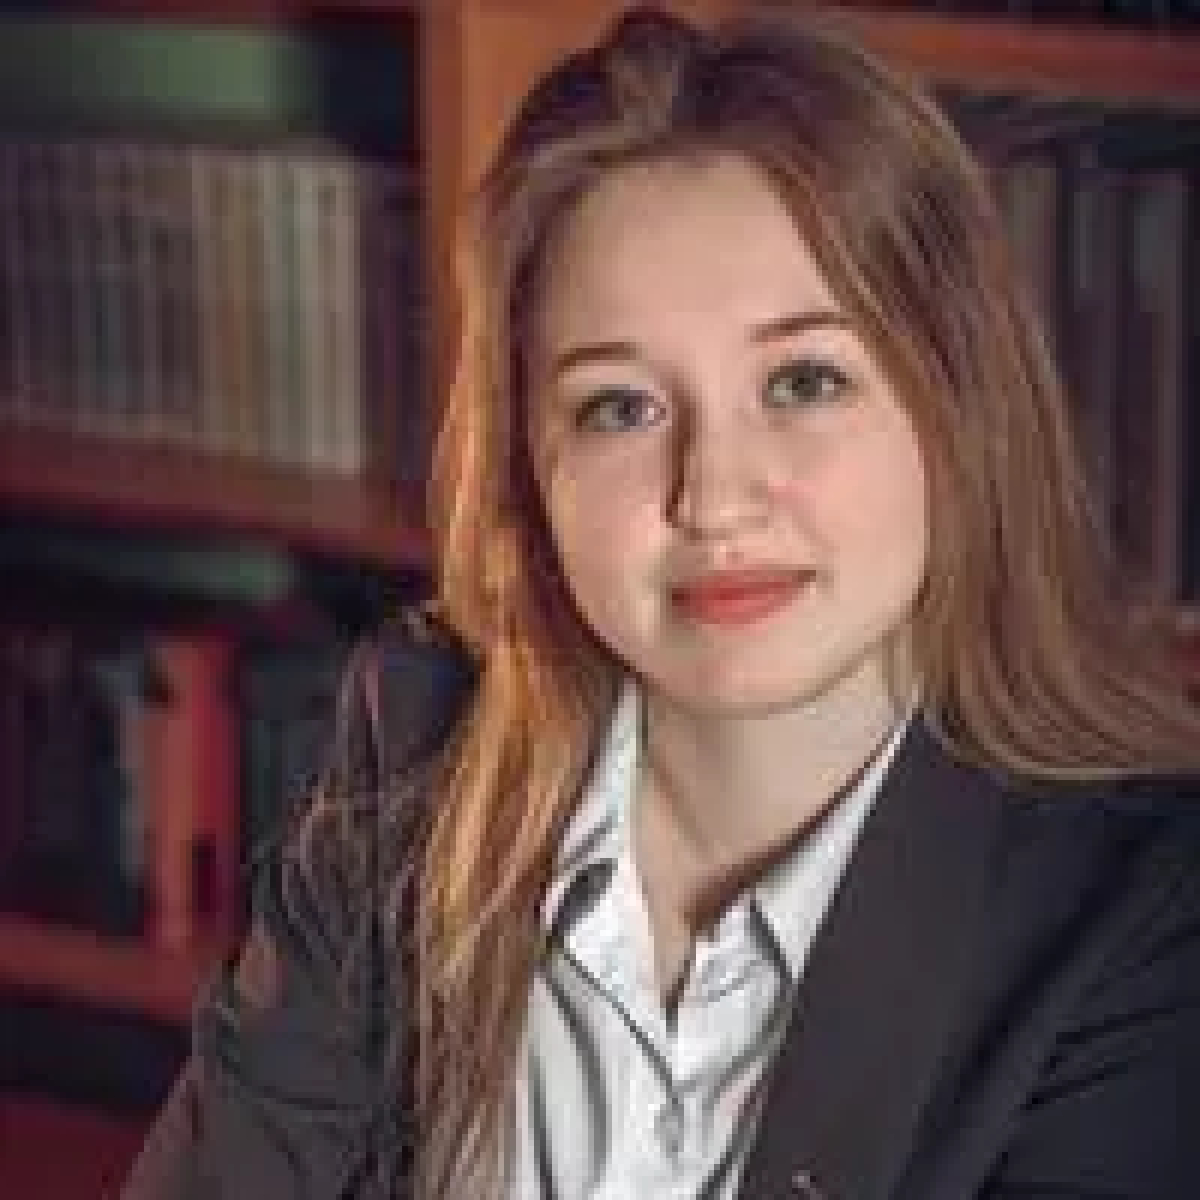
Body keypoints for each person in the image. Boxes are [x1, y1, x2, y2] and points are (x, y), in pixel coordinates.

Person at [123, 5, 1200, 1198]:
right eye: (621, 408)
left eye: (804, 382)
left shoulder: (1144, 919)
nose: (715, 497)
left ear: (958, 413)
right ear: (529, 470)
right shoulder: (414, 760)